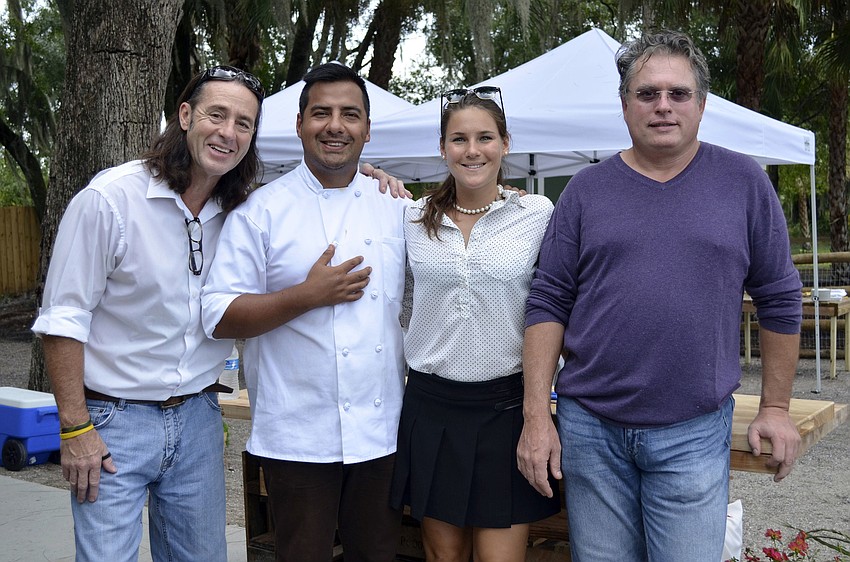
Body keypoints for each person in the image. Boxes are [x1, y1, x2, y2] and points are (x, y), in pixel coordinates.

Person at [31, 64, 401, 562]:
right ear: (185, 115)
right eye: (216, 115)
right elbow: (63, 318)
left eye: (243, 123)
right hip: (114, 418)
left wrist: (379, 180)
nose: (228, 132)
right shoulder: (112, 199)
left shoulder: (235, 204)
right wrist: (75, 428)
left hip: (198, 416)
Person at [517, 30, 803, 561]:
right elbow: (549, 300)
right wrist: (537, 418)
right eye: (647, 94)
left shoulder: (743, 182)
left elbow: (780, 296)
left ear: (702, 104)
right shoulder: (585, 190)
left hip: (693, 429)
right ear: (625, 105)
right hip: (589, 425)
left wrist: (777, 407)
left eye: (679, 94)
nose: (664, 106)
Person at [201, 62, 409, 562]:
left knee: (380, 555)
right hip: (296, 435)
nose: (335, 126)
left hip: (380, 434)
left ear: (366, 129)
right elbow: (218, 313)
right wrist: (306, 295)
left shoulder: (398, 207)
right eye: (321, 113)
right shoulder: (261, 211)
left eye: (350, 114)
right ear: (299, 124)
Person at [389, 87, 560, 561]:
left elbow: (554, 307)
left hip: (506, 409)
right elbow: (403, 302)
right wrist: (373, 175)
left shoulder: (538, 215)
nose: (472, 150)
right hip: (431, 407)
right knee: (443, 557)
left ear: (505, 143)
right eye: (458, 139)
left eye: (485, 137)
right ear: (442, 149)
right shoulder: (409, 218)